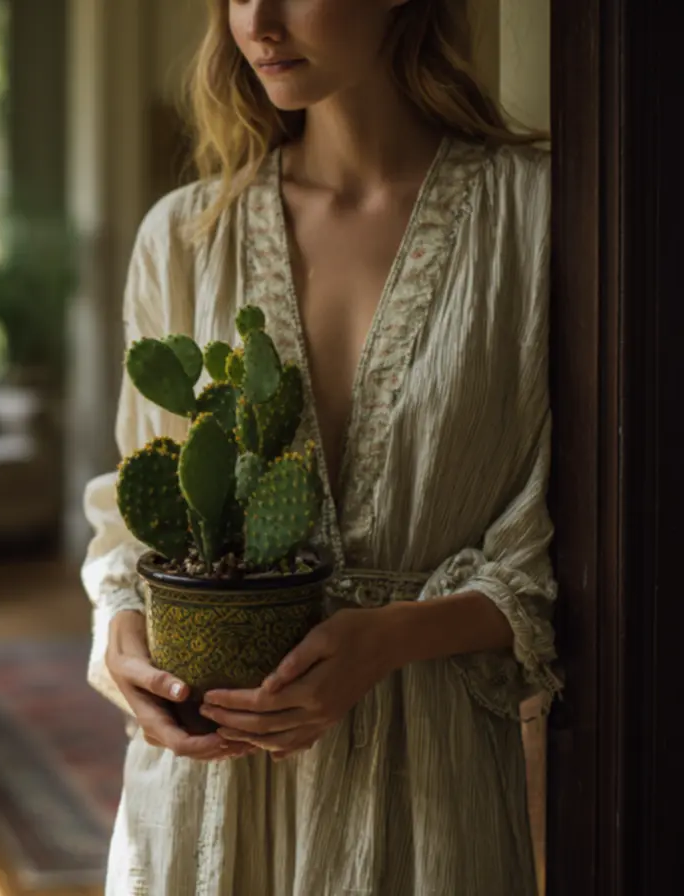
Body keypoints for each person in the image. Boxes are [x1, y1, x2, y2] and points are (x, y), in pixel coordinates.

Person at [79, 1, 558, 893]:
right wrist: (125, 641)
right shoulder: (185, 236)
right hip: (205, 794)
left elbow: (584, 546)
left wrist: (393, 638)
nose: (255, 19)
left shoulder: (539, 218)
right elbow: (134, 520)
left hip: (427, 786)